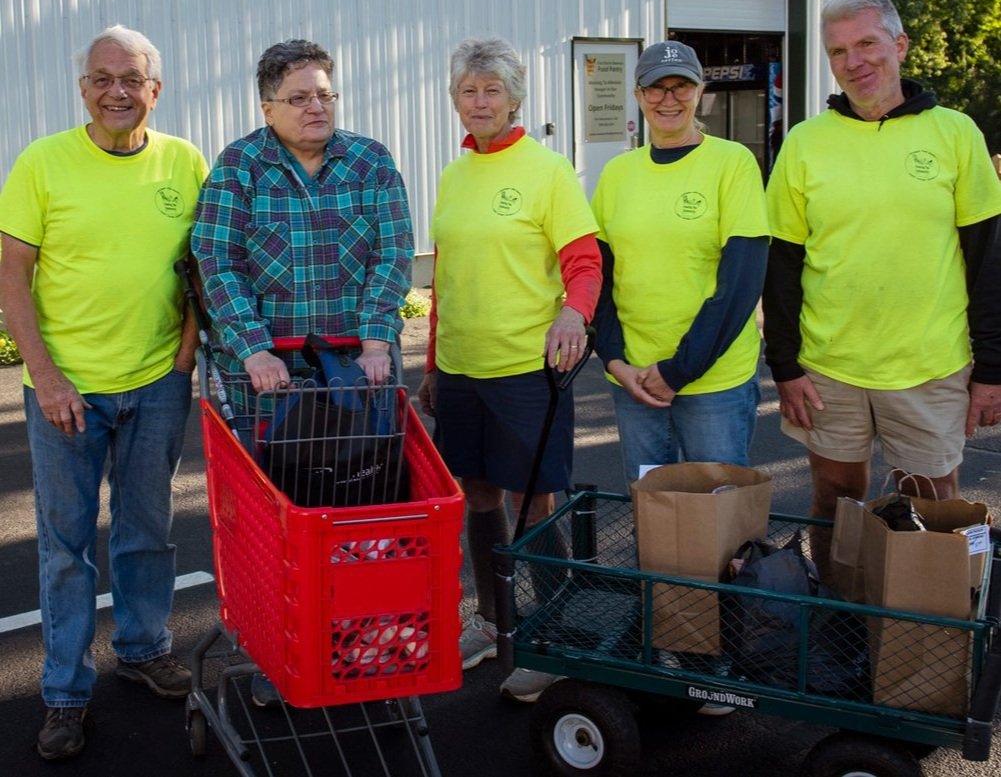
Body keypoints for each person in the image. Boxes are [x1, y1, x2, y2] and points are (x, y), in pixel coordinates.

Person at [0, 26, 208, 761]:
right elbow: (11, 273)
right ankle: (62, 692)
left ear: (157, 88)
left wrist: (183, 358)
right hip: (66, 391)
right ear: (83, 86)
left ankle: (146, 646)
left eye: (131, 78)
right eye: (101, 77)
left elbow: (201, 265)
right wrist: (47, 376)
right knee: (64, 549)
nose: (116, 90)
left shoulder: (184, 162)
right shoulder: (42, 162)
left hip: (155, 383)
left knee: (148, 531)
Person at [191, 38, 414, 707]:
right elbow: (216, 259)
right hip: (266, 381)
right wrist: (253, 347)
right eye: (299, 97)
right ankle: (276, 649)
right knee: (275, 522)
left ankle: (361, 642)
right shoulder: (240, 168)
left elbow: (394, 250)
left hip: (356, 376)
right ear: (267, 106)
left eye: (324, 93)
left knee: (361, 509)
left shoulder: (369, 161)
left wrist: (376, 337)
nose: (316, 106)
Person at [762, 0, 1001, 559]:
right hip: (828, 369)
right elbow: (782, 264)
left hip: (929, 365)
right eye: (839, 51)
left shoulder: (955, 133)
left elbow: (989, 259)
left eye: (867, 43)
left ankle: (931, 631)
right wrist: (785, 364)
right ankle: (838, 619)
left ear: (900, 44)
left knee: (932, 504)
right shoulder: (804, 143)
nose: (855, 61)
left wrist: (992, 367)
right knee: (836, 497)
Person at [417, 37, 601, 704]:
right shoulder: (453, 174)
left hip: (526, 368)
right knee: (477, 495)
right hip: (463, 369)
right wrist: (434, 362)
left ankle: (551, 636)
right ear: (454, 101)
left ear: (515, 98)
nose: (479, 102)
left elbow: (583, 260)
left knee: (532, 500)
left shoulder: (548, 170)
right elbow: (444, 280)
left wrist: (574, 315)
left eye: (491, 90)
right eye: (467, 91)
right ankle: (495, 621)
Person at [591, 41, 769, 484]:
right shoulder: (618, 173)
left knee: (721, 515)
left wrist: (678, 371)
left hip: (712, 383)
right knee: (653, 510)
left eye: (681, 87)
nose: (668, 99)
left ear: (699, 90)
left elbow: (741, 283)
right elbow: (600, 275)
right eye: (656, 88)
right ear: (638, 96)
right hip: (634, 381)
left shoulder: (733, 163)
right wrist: (613, 359)